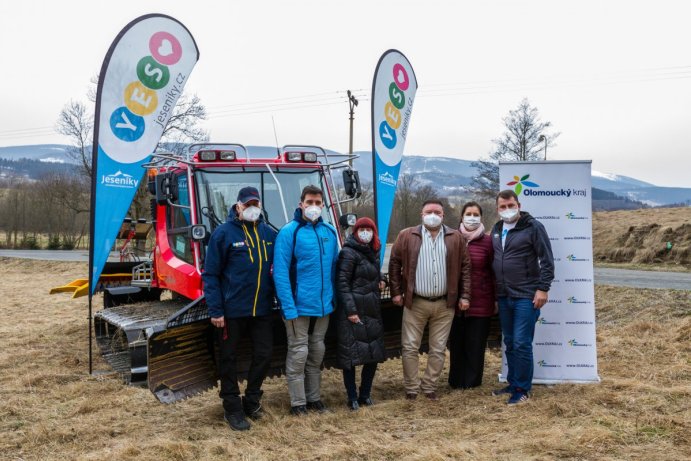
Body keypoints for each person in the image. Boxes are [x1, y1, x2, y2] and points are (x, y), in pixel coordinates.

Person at [202, 186, 277, 431]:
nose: (252, 208)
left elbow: (278, 270)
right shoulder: (223, 234)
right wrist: (216, 310)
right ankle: (232, 408)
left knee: (265, 354)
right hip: (231, 311)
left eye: (256, 204)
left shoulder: (269, 234)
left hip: (262, 309)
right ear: (238, 206)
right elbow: (211, 274)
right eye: (247, 204)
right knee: (228, 359)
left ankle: (252, 400)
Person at [388, 199, 472, 401]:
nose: (433, 215)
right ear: (421, 214)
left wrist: (465, 295)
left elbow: (466, 268)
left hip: (445, 303)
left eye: (437, 212)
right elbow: (394, 263)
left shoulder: (455, 237)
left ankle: (429, 387)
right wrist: (396, 292)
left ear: (443, 215)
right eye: (429, 211)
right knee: (409, 347)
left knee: (438, 348)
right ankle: (411, 388)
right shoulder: (406, 235)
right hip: (415, 302)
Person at [273, 185, 339, 415]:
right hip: (297, 307)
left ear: (323, 205)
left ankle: (314, 398)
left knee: (317, 352)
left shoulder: (329, 232)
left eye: (317, 202)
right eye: (309, 202)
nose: (313, 206)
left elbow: (333, 269)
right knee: (298, 352)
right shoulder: (289, 232)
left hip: (323, 307)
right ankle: (298, 403)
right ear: (301, 204)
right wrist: (288, 306)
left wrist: (334, 301)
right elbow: (280, 273)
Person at [490, 190, 554, 405]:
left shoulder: (533, 227)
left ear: (518, 204)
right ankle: (512, 382)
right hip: (504, 296)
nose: (507, 210)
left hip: (526, 296)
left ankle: (522, 389)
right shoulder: (497, 229)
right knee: (509, 342)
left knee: (521, 343)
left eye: (510, 205)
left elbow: (547, 260)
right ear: (497, 209)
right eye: (502, 207)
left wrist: (543, 288)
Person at [335, 217, 387, 411]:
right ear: (355, 232)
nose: (366, 232)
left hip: (371, 310)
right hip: (354, 312)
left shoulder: (373, 251)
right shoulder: (348, 253)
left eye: (369, 229)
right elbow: (342, 283)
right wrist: (351, 311)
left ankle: (365, 393)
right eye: (361, 229)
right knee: (351, 357)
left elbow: (372, 272)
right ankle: (352, 396)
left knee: (372, 354)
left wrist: (382, 279)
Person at [448, 201, 496, 389]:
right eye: (469, 213)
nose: (472, 217)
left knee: (476, 344)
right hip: (454, 302)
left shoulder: (488, 241)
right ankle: (456, 381)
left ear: (481, 217)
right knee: (457, 343)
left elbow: (494, 271)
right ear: (462, 216)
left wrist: (496, 298)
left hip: (481, 300)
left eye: (476, 214)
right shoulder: (452, 238)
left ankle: (472, 382)